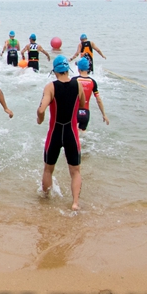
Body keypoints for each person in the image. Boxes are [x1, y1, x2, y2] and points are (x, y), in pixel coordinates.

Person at [37, 55, 86, 211]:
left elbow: (41, 109)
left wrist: (40, 118)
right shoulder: (77, 85)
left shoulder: (50, 87)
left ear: (55, 70)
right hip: (71, 133)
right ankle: (75, 203)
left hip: (55, 133)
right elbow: (83, 106)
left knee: (48, 169)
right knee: (75, 171)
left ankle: (45, 199)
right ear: (67, 69)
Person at [74, 57, 109, 132]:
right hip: (86, 113)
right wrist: (104, 114)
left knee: (73, 135)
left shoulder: (74, 80)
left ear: (78, 69)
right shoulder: (92, 82)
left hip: (75, 112)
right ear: (87, 69)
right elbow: (98, 100)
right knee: (82, 135)